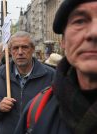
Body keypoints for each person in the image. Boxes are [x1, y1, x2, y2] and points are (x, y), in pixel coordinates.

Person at [14, 0, 97, 134]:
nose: (94, 32)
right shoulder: (36, 110)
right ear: (63, 41)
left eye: (24, 47)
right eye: (80, 21)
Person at [0, 31, 55, 134]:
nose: (20, 52)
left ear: (32, 49)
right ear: (10, 52)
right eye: (16, 48)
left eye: (24, 47)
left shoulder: (50, 75)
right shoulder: (1, 75)